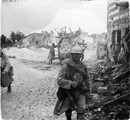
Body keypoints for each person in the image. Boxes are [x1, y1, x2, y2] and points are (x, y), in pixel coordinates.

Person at [53, 46, 90, 120]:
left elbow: (87, 78)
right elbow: (59, 79)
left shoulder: (83, 66)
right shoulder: (66, 66)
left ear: (81, 56)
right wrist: (70, 83)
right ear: (71, 55)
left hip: (81, 90)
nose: (77, 56)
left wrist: (88, 88)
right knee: (68, 107)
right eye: (75, 54)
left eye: (78, 54)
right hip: (69, 91)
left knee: (81, 107)